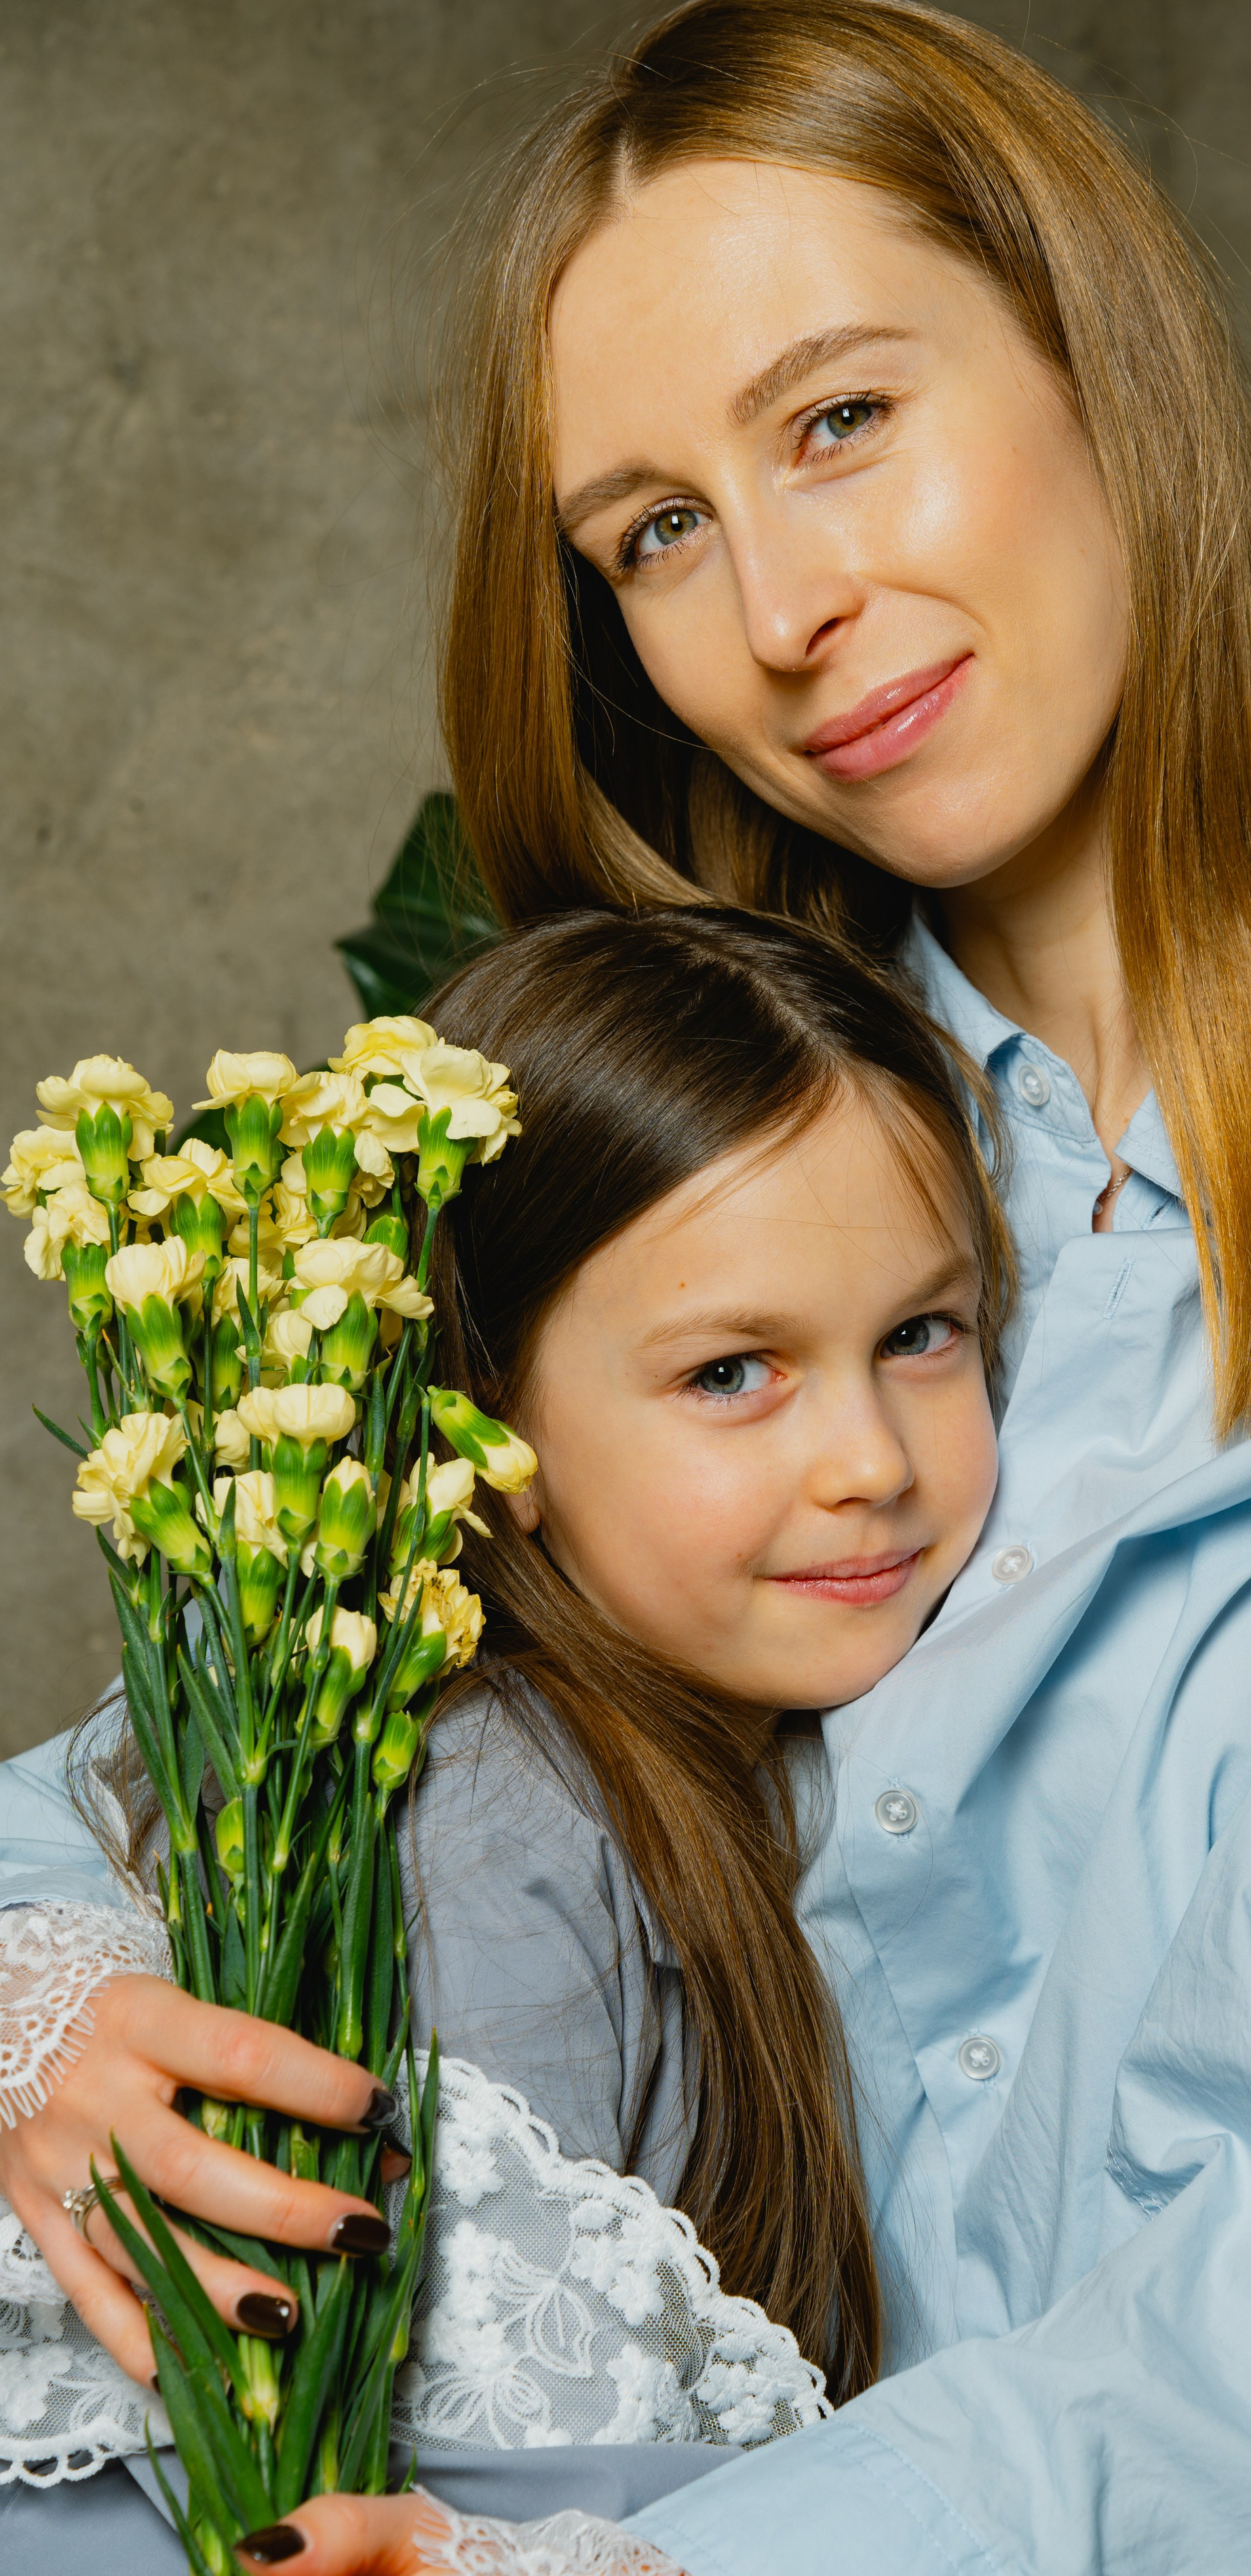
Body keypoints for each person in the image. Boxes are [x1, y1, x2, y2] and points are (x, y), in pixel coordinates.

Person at [5, 0, 1251, 2572]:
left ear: (1099, 359)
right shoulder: (745, 1135)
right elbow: (167, 1774)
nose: (787, 603)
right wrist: (51, 2023)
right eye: (658, 533)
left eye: (840, 419)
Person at [0, 904, 1008, 2555]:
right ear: (486, 1430)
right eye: (733, 1373)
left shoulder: (746, 1738)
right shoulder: (488, 1817)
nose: (870, 1463)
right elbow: (462, 2473)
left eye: (919, 1335)